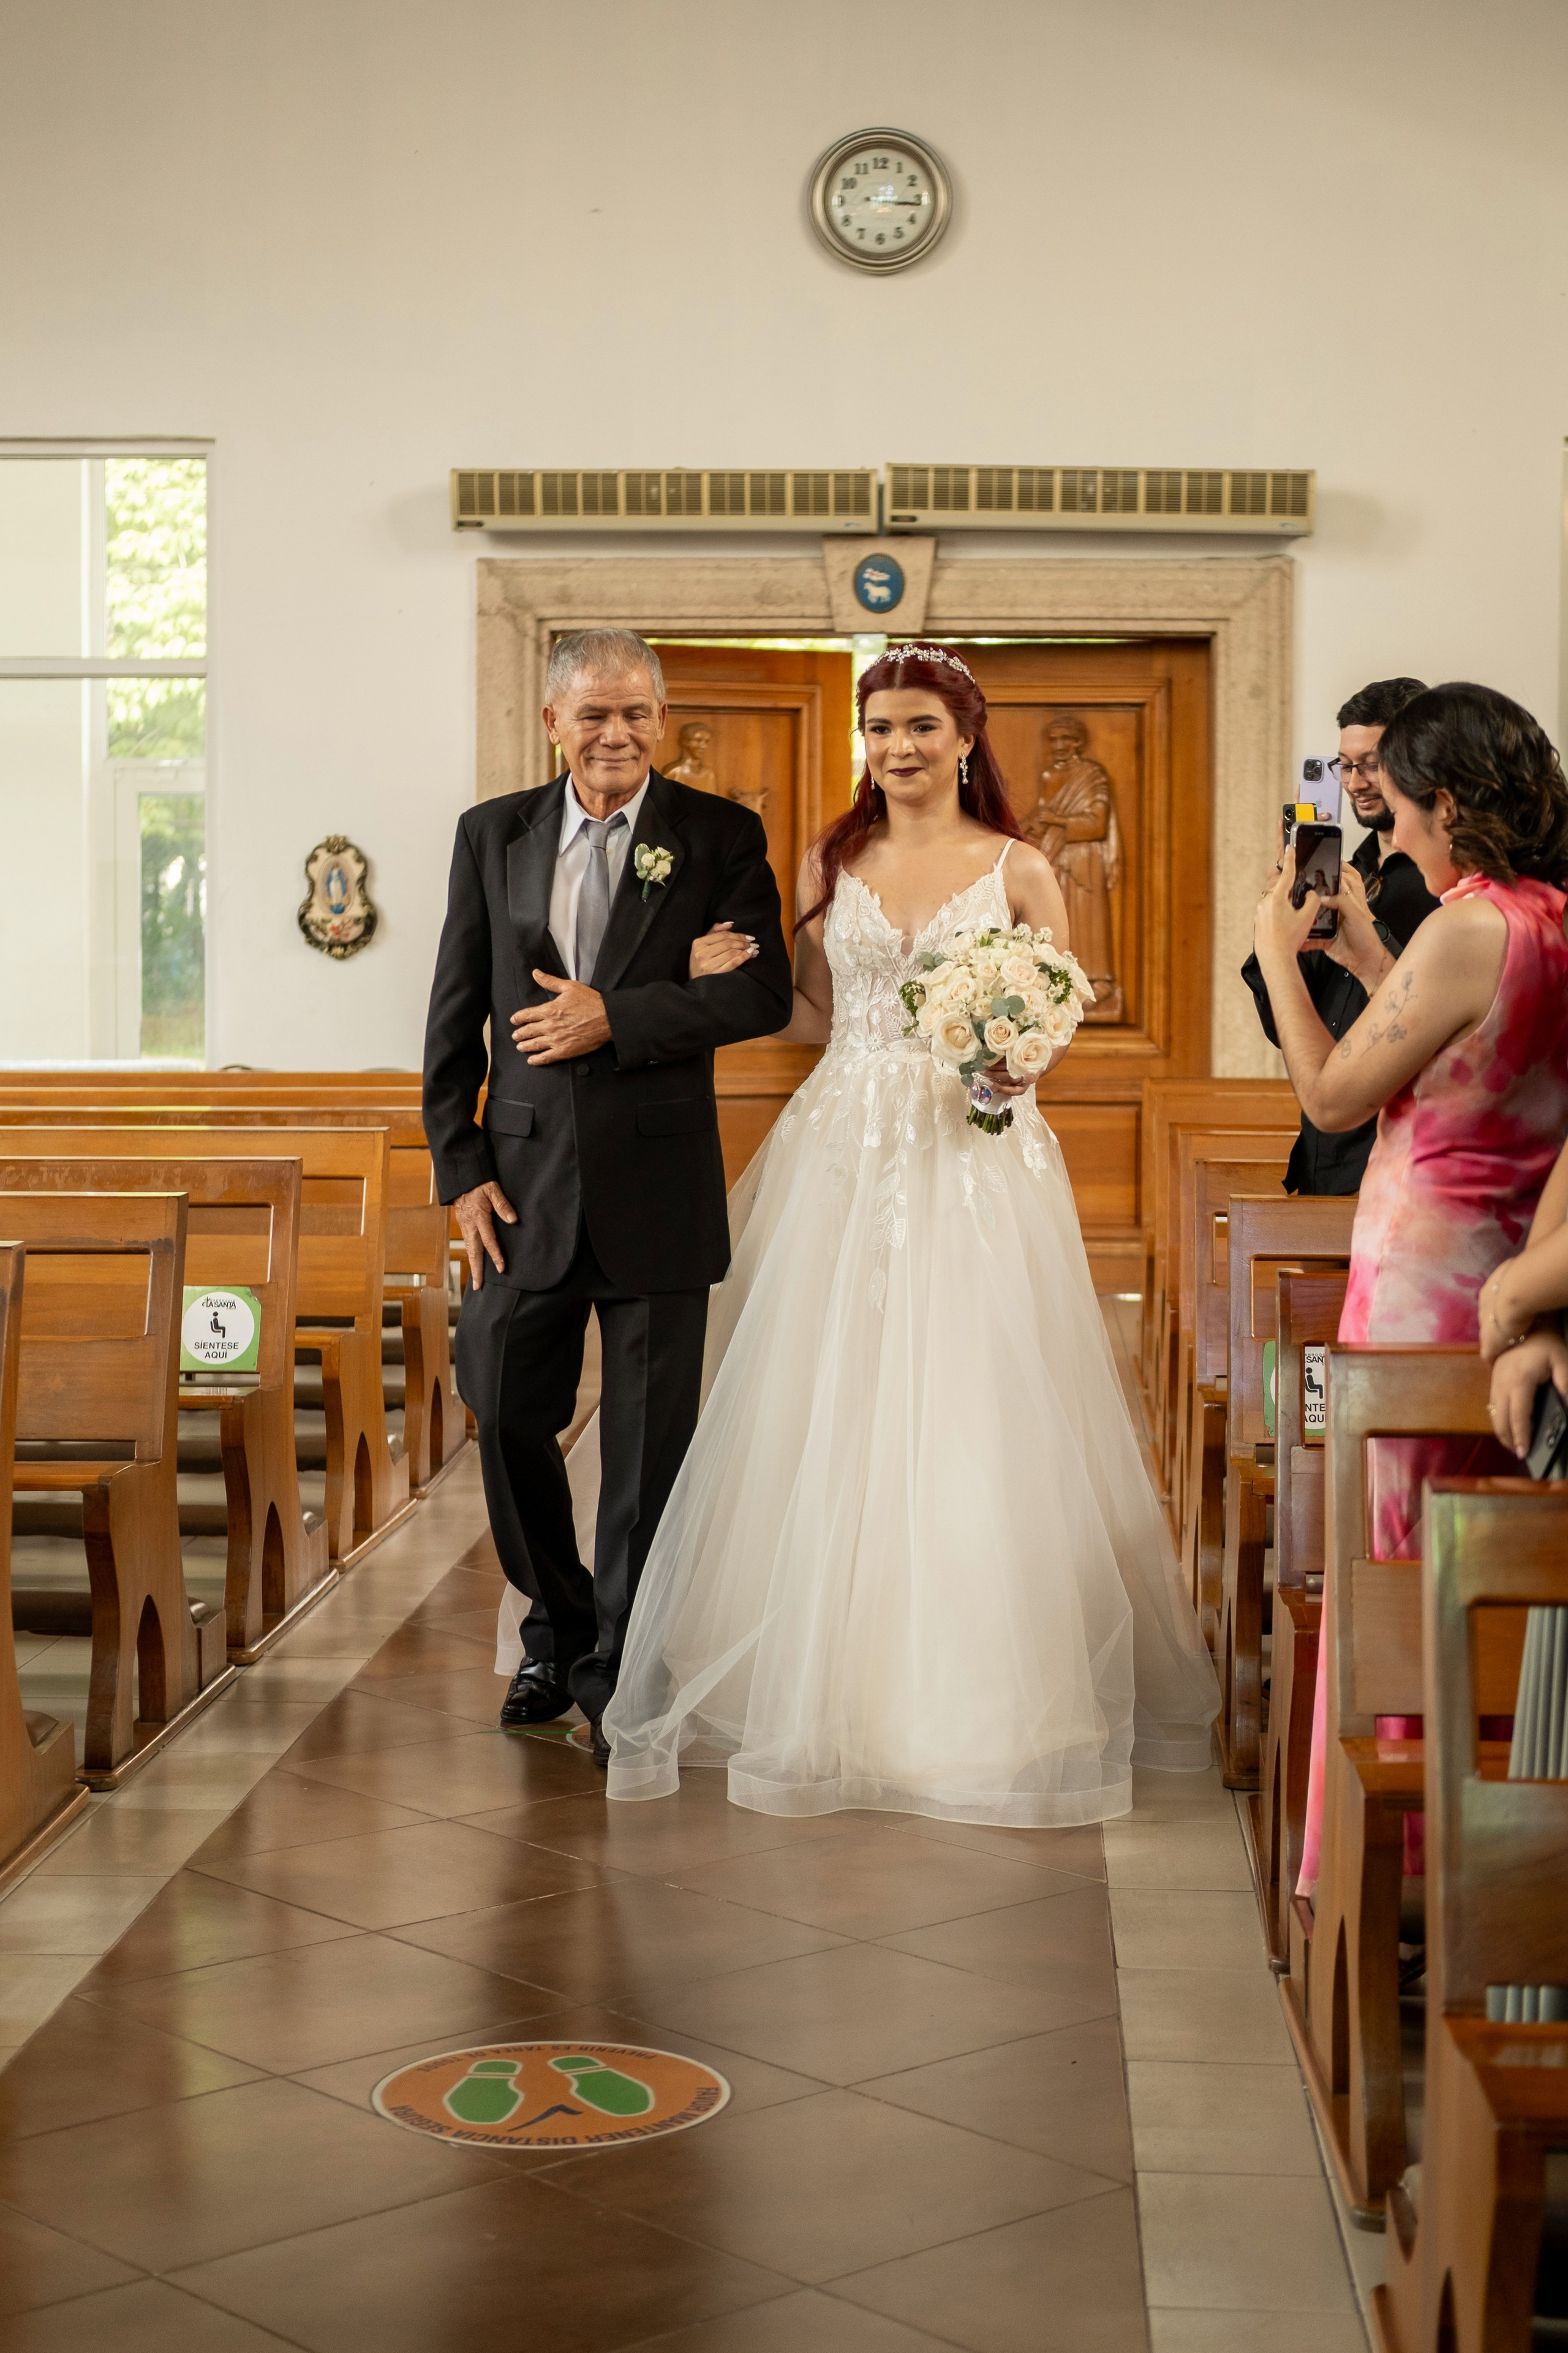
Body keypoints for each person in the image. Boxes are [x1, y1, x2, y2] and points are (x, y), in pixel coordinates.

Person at [601, 643, 1219, 1825]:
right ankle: (811, 1675)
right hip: (843, 1138)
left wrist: (1013, 1050)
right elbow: (812, 1005)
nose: (897, 747)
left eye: (921, 726)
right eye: (879, 728)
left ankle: (971, 1695)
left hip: (975, 1147)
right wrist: (704, 968)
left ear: (965, 736)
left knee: (967, 1396)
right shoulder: (834, 862)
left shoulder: (1023, 866)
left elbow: (1062, 1005)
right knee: (818, 1394)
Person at [422, 628, 793, 1762]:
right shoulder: (492, 835)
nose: (616, 733)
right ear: (553, 724)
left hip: (658, 1185)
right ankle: (556, 1621)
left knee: (648, 1450)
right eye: (593, 715)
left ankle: (621, 1669)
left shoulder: (720, 837)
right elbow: (454, 1012)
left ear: (661, 721)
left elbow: (764, 994)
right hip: (521, 1185)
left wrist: (618, 1016)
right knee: (501, 1406)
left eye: (635, 713)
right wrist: (460, 1165)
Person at [1253, 681, 1568, 1890]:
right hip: (1518, 1274)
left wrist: (1282, 963)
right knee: (1492, 1569)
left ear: (1442, 803)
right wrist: (1369, 951)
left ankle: (1396, 1873)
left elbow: (1334, 1097)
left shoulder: (1468, 927)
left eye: (1394, 806)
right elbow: (1466, 1044)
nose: (1382, 829)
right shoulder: (1543, 917)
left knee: (1399, 1564)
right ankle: (1499, 1868)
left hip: (1422, 1279)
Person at [1240, 677, 1440, 1193]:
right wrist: (1277, 931)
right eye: (1344, 766)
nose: (1354, 783)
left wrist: (1372, 946)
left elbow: (1427, 1025)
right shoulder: (1340, 875)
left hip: (1396, 1155)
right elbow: (1281, 1024)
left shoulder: (1447, 887)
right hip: (1323, 1154)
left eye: (1371, 764)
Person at [1021, 713, 1123, 1020]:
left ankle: (1098, 984)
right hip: (1055, 859)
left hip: (1084, 859)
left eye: (1066, 738)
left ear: (1079, 742)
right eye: (1054, 740)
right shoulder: (1049, 776)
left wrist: (1057, 821)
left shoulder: (1092, 774)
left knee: (1088, 920)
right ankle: (1060, 985)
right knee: (1059, 921)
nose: (1060, 746)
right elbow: (1042, 814)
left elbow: (1097, 823)